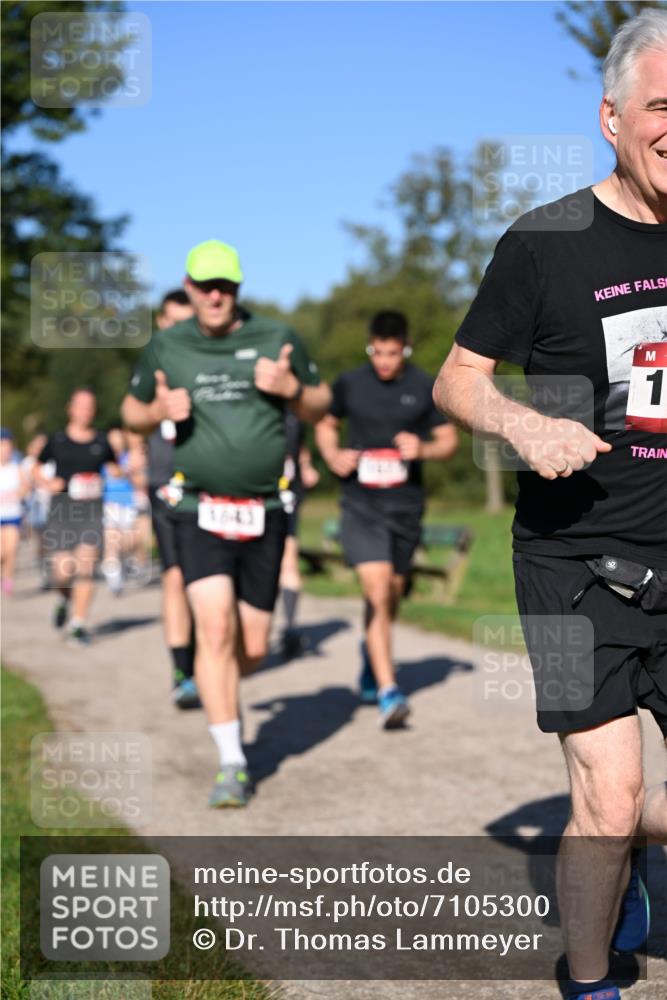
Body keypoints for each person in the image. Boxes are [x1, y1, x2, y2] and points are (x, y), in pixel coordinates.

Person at [433, 11, 667, 1000]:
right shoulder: (545, 242)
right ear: (610, 118)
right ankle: (590, 977)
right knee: (609, 800)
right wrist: (523, 426)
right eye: (662, 105)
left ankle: (639, 879)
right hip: (578, 561)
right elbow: (455, 381)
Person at [122, 239, 331, 806]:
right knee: (213, 630)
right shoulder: (166, 345)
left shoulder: (278, 337)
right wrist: (157, 412)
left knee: (253, 645)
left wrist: (292, 391)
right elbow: (131, 412)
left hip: (264, 510)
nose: (216, 295)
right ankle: (232, 761)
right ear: (188, 288)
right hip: (198, 509)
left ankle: (222, 683)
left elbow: (320, 402)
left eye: (226, 286)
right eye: (206, 285)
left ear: (237, 289)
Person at [315, 310, 458, 728]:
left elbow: (447, 441)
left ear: (405, 348)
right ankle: (390, 691)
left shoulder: (422, 386)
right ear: (370, 347)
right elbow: (326, 423)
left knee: (390, 594)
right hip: (360, 506)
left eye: (392, 353)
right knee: (377, 591)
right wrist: (331, 454)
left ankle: (371, 660)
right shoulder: (350, 384)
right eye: (377, 352)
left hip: (405, 508)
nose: (384, 361)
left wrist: (423, 449)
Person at [146, 290, 200, 709]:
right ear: (161, 323)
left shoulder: (214, 358)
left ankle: (210, 655)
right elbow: (131, 415)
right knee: (176, 576)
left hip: (211, 479)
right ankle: (182, 670)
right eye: (174, 321)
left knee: (213, 579)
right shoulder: (151, 366)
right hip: (166, 479)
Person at [35, 388, 118, 646]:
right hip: (62, 510)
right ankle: (63, 598)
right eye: (80, 406)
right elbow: (36, 466)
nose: (85, 411)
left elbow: (115, 468)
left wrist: (124, 471)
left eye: (90, 406)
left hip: (91, 511)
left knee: (86, 567)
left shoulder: (102, 441)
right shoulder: (57, 440)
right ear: (70, 409)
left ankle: (78, 624)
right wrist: (48, 482)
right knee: (63, 570)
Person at [278, 411, 320, 657]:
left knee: (288, 559)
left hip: (286, 494)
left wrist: (305, 465)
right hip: (248, 493)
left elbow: (299, 444)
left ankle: (290, 627)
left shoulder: (293, 411)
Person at [0, 428, 29, 595]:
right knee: (1, 552)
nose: (4, 449)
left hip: (13, 515)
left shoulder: (16, 468)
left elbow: (26, 487)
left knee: (11, 549)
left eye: (7, 446)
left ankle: (8, 578)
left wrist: (20, 493)